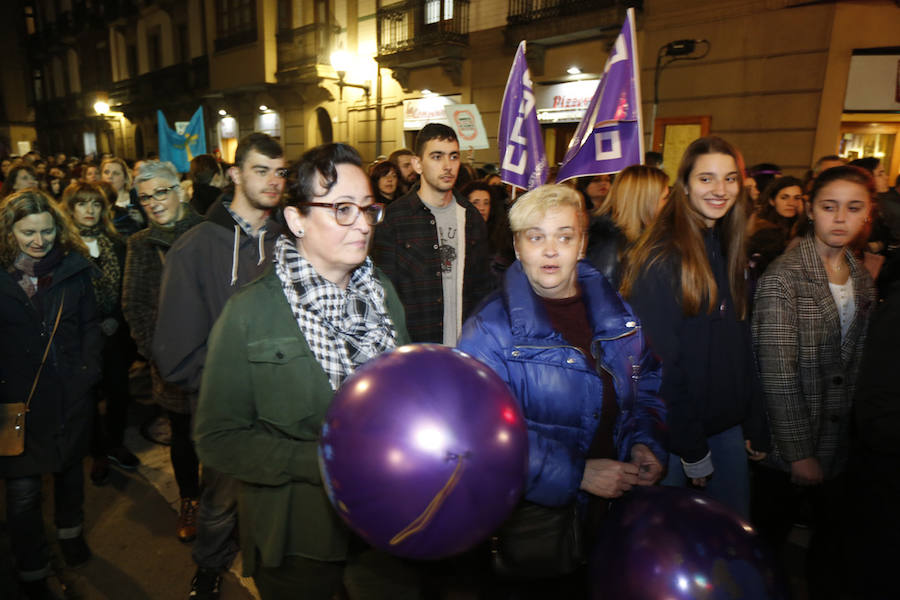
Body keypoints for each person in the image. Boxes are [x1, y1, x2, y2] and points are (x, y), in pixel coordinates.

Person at [194, 143, 419, 600]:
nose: (362, 224)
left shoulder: (383, 296)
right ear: (296, 219)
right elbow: (218, 438)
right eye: (342, 209)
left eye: (367, 209)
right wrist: (322, 461)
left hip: (386, 523)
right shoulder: (250, 312)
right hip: (298, 535)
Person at [457, 184, 667, 598]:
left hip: (616, 511)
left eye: (564, 236)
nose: (551, 250)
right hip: (538, 525)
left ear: (582, 244)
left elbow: (647, 382)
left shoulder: (618, 315)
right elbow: (478, 436)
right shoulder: (489, 330)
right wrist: (578, 475)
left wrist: (646, 440)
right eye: (536, 237)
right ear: (517, 247)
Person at [154, 132, 285, 599]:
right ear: (235, 174)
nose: (273, 181)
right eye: (260, 170)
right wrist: (226, 386)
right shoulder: (194, 248)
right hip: (224, 407)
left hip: (282, 408)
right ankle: (209, 566)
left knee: (275, 498)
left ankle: (270, 566)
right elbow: (174, 351)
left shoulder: (290, 242)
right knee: (220, 499)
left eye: (280, 172)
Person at [620, 136, 770, 518]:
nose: (720, 189)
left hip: (725, 430)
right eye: (707, 178)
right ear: (684, 186)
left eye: (730, 178)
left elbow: (740, 345)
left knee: (733, 540)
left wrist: (754, 418)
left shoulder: (726, 246)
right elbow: (660, 364)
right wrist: (692, 448)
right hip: (677, 438)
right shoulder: (661, 258)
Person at [752, 165, 876, 599]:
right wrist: (799, 452)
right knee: (767, 547)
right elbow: (777, 373)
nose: (840, 218)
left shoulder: (862, 276)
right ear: (810, 210)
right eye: (829, 207)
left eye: (853, 208)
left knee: (832, 550)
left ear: (868, 214)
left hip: (839, 443)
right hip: (790, 445)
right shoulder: (783, 278)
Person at [0, 189, 102, 599]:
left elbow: (91, 325)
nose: (39, 241)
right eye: (28, 232)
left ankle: (70, 532)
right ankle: (32, 567)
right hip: (14, 404)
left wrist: (87, 373)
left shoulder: (74, 269)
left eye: (46, 231)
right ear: (9, 232)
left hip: (66, 394)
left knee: (69, 470)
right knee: (22, 492)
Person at [121, 161, 204, 544]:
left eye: (161, 192)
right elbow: (133, 304)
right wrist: (156, 351)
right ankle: (190, 500)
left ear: (180, 191)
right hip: (171, 363)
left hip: (214, 358)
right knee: (182, 436)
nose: (153, 202)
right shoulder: (140, 244)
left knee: (220, 434)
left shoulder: (209, 233)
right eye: (145, 197)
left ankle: (224, 505)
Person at [373, 123, 494, 345]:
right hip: (414, 349)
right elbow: (384, 296)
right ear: (418, 164)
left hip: (466, 348)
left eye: (453, 157)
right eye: (437, 157)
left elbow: (482, 289)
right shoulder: (394, 220)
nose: (448, 166)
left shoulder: (471, 217)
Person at [59, 182, 140, 485]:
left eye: (95, 204)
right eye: (82, 204)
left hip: (114, 335)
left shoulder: (115, 243)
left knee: (119, 392)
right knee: (88, 397)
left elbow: (127, 288)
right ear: (70, 209)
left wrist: (115, 319)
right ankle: (98, 453)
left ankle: (116, 443)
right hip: (79, 338)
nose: (90, 210)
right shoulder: (63, 248)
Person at [585, 165, 668, 289]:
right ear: (645, 203)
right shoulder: (608, 244)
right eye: (665, 198)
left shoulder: (642, 237)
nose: (669, 204)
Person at [746, 176, 804, 288]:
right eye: (784, 198)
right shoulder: (766, 231)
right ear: (772, 201)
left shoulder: (795, 226)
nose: (791, 203)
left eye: (797, 198)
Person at [461, 180, 515, 277]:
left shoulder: (500, 237)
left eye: (486, 203)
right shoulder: (456, 234)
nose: (482, 208)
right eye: (475, 202)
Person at [100, 157, 144, 236]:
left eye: (115, 173)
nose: (110, 176)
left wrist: (142, 221)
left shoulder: (137, 197)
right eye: (106, 172)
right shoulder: (97, 199)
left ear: (125, 177)